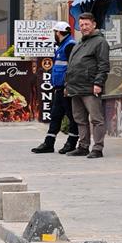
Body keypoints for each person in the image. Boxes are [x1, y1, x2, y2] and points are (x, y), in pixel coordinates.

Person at [64, 11, 110, 158]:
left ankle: (97, 148)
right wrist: (67, 85)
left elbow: (104, 65)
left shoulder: (100, 42)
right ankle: (83, 146)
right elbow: (71, 66)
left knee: (96, 119)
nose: (83, 27)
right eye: (81, 24)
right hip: (75, 88)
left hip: (90, 88)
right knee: (80, 119)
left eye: (87, 24)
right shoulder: (80, 43)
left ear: (94, 24)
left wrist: (98, 83)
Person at [32, 21, 79, 154]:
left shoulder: (70, 45)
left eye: (55, 32)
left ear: (58, 32)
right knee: (55, 115)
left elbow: (72, 68)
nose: (54, 35)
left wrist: (67, 85)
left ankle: (72, 142)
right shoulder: (63, 45)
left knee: (71, 116)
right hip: (59, 87)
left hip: (65, 88)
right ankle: (49, 143)